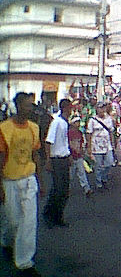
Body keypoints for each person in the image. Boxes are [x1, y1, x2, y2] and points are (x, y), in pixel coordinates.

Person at [0, 92, 43, 276]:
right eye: (27, 105)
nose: (30, 108)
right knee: (13, 221)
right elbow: (1, 158)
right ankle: (7, 242)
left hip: (28, 179)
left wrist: (40, 181)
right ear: (18, 106)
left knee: (29, 222)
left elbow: (36, 155)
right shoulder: (4, 129)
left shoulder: (34, 127)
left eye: (31, 105)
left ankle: (25, 262)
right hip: (9, 180)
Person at [43, 99, 72, 229]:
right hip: (56, 159)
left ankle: (58, 215)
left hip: (64, 158)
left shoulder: (65, 123)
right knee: (58, 189)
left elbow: (64, 141)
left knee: (64, 190)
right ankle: (49, 214)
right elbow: (48, 141)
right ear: (66, 108)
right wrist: (48, 160)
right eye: (70, 108)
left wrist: (68, 154)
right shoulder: (56, 122)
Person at [86, 102, 115, 189]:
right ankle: (99, 183)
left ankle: (104, 178)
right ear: (97, 109)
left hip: (107, 146)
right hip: (96, 146)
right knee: (98, 166)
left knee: (109, 163)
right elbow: (89, 134)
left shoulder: (109, 119)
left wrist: (113, 143)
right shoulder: (92, 120)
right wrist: (89, 147)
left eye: (103, 108)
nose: (102, 110)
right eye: (100, 108)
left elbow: (111, 132)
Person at [68, 117, 92, 196]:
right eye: (76, 122)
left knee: (82, 172)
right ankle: (67, 189)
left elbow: (82, 143)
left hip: (79, 156)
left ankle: (86, 188)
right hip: (72, 156)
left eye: (78, 122)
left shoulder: (79, 133)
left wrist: (82, 151)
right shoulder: (69, 133)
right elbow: (67, 144)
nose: (78, 124)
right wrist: (69, 155)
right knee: (70, 175)